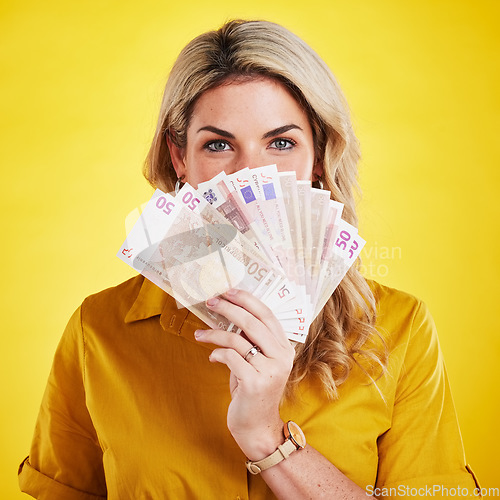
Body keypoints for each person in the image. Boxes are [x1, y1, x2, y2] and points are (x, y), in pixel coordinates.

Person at [18, 19, 480, 499]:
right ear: (180, 159)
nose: (250, 176)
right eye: (218, 145)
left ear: (318, 157)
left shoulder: (400, 331)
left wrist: (266, 438)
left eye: (281, 143)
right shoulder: (99, 330)